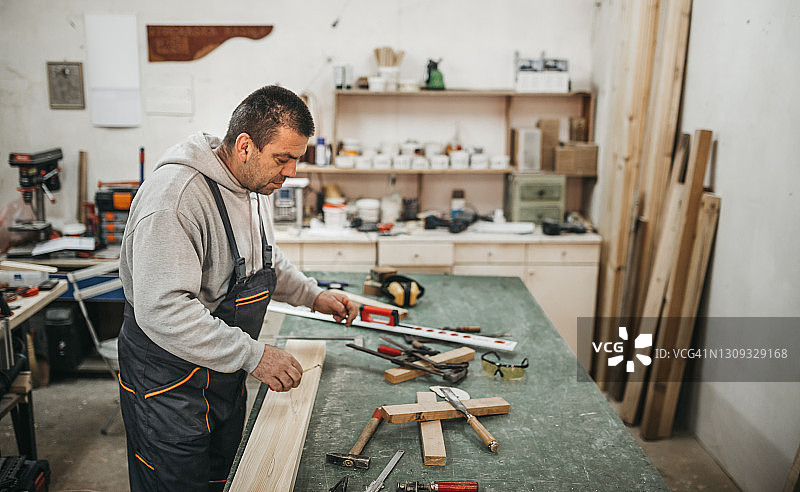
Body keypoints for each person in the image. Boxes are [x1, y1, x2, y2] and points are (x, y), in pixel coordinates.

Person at [116, 85, 358, 490]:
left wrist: (311, 294)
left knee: (223, 477)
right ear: (245, 146)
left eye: (296, 160)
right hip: (167, 382)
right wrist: (254, 355)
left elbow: (265, 259)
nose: (292, 173)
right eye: (284, 159)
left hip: (221, 374)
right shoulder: (175, 200)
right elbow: (163, 310)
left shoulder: (253, 185)